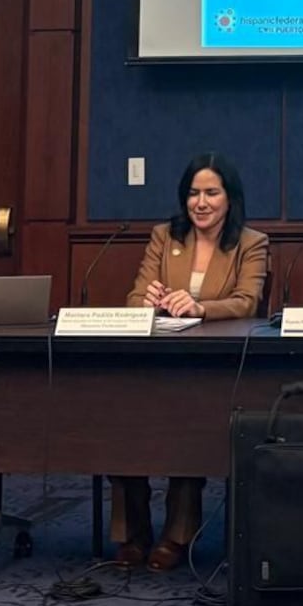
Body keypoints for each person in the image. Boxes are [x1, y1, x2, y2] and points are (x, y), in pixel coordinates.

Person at [113, 152, 268, 572]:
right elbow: (135, 296)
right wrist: (145, 302)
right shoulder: (165, 237)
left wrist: (201, 308)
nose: (201, 202)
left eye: (211, 193)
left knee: (187, 425)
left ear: (229, 198)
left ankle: (176, 537)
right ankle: (132, 534)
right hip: (155, 360)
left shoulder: (251, 243)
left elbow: (247, 302)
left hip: (211, 365)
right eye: (193, 193)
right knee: (119, 418)